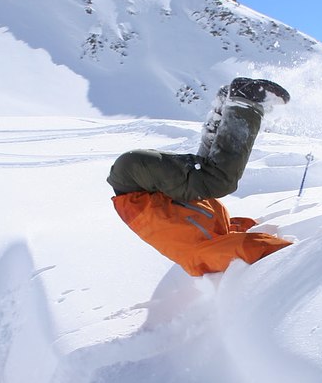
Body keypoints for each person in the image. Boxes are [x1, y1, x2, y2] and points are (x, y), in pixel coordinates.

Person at [107, 78, 294, 277]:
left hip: (135, 182)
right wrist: (251, 226)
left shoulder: (197, 259)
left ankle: (245, 100)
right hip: (136, 175)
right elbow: (233, 232)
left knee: (217, 180)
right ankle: (223, 109)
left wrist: (293, 253)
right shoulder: (209, 234)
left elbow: (247, 246)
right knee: (204, 172)